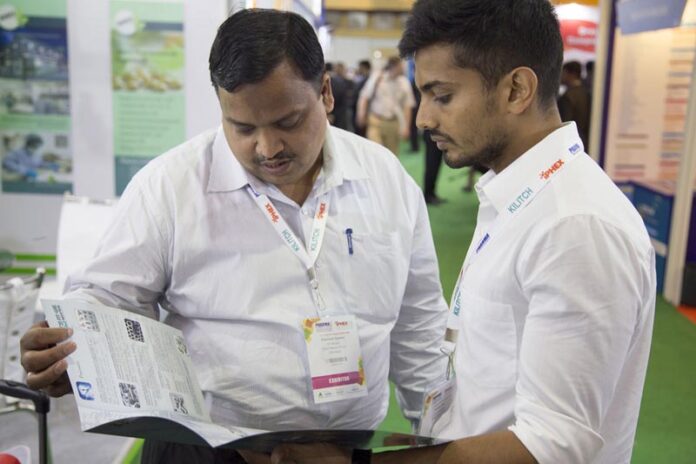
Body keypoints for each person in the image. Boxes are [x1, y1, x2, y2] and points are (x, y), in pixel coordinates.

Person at [19, 9, 448, 464]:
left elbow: (419, 327)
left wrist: (441, 437)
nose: (267, 148)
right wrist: (65, 347)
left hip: (339, 452)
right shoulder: (171, 186)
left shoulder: (386, 181)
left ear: (325, 93)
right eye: (242, 128)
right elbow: (108, 298)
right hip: (205, 450)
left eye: (287, 122)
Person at [273, 0, 656, 463]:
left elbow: (553, 443)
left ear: (516, 89)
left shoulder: (575, 226)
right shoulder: (523, 195)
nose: (423, 118)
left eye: (442, 96)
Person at [356, 57, 415, 157]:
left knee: (391, 156)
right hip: (376, 121)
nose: (403, 68)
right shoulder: (377, 78)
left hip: (393, 122)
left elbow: (408, 106)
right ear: (394, 67)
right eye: (401, 66)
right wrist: (361, 113)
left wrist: (406, 127)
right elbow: (364, 97)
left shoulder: (404, 82)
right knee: (376, 154)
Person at [558, 61, 591, 149]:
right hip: (585, 142)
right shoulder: (586, 93)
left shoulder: (568, 96)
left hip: (570, 142)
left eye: (563, 73)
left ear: (571, 74)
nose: (561, 76)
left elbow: (564, 122)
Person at [351, 60, 371, 138]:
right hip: (356, 109)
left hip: (363, 111)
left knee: (362, 134)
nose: (358, 69)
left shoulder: (369, 81)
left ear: (364, 68)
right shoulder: (360, 79)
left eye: (360, 67)